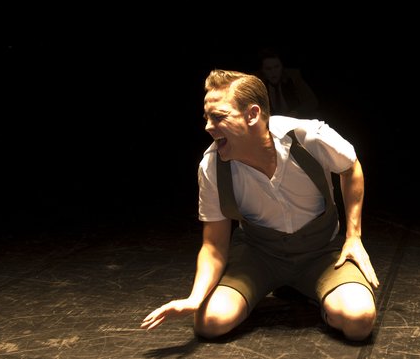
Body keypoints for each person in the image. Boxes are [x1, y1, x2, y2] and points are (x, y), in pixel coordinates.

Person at [141, 69, 379, 341]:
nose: (207, 126)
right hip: (259, 254)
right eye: (206, 117)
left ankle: (317, 294)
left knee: (358, 322)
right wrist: (195, 298)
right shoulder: (212, 167)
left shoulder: (307, 137)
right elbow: (214, 245)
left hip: (320, 251)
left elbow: (350, 167)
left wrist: (353, 237)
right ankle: (268, 290)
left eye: (218, 117)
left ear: (252, 115)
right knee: (210, 323)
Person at [256, 47, 319, 118]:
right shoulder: (258, 84)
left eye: (276, 67)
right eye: (268, 69)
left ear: (282, 67)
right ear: (262, 70)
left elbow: (312, 101)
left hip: (296, 120)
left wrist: (296, 112)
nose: (273, 72)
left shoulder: (293, 78)